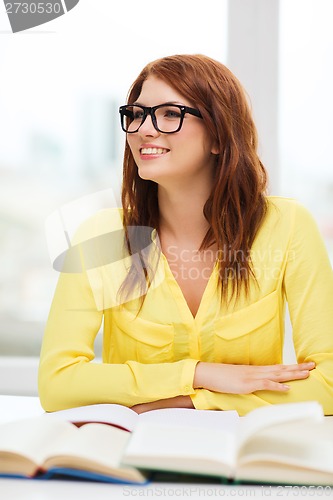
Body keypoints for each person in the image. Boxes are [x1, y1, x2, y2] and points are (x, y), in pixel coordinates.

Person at [38, 54, 333, 416]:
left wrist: (186, 401)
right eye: (136, 114)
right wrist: (198, 374)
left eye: (170, 114)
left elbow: (328, 383)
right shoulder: (103, 236)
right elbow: (57, 384)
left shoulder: (288, 226)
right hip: (133, 456)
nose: (145, 129)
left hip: (243, 457)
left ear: (219, 137)